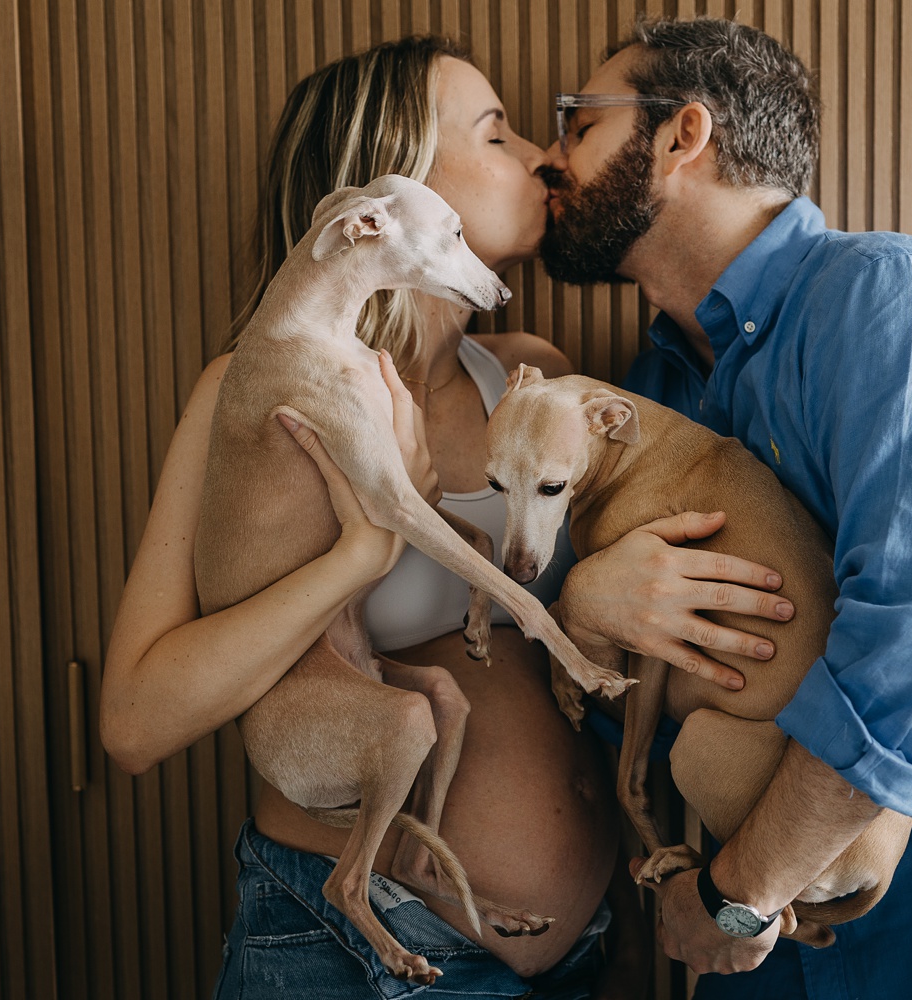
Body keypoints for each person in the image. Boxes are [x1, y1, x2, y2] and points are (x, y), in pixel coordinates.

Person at [538, 17, 912, 1000]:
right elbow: (660, 707)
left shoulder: (890, 301)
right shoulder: (642, 400)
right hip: (770, 962)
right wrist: (584, 610)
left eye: (579, 122)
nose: (548, 157)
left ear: (680, 135)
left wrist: (739, 893)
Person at [99, 36, 649, 1000]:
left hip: (578, 955)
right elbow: (137, 720)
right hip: (349, 953)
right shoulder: (249, 398)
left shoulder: (536, 377)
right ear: (393, 192)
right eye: (495, 132)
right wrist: (362, 555)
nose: (537, 155)